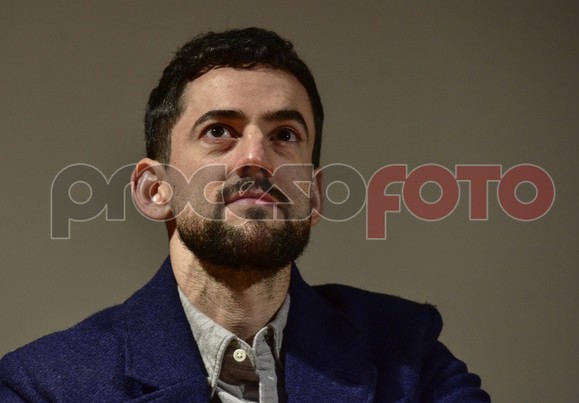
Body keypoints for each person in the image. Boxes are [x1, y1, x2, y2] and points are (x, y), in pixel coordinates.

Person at [0, 27, 490, 402]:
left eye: (284, 135)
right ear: (155, 189)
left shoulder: (407, 357)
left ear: (315, 197)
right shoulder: (42, 386)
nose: (255, 157)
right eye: (219, 131)